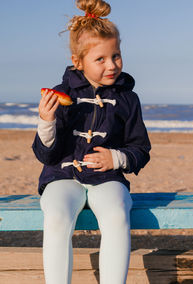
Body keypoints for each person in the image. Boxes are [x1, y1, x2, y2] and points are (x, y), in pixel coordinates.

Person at [32, 0, 151, 283]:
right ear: (78, 61)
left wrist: (117, 158)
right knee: (57, 217)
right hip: (62, 174)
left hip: (107, 177)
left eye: (116, 56)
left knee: (117, 213)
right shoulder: (61, 94)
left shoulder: (128, 99)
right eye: (100, 59)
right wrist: (46, 121)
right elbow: (45, 154)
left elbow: (140, 149)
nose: (112, 65)